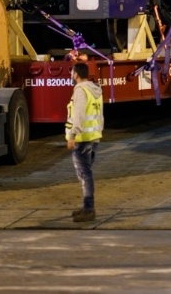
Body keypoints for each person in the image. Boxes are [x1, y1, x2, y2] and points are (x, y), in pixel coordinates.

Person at [65, 62, 103, 222]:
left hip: (82, 139)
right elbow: (99, 114)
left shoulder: (80, 91)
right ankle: (87, 207)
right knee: (86, 173)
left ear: (76, 74)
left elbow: (78, 115)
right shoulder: (95, 90)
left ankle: (88, 209)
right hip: (93, 137)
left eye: (72, 72)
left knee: (84, 174)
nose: (71, 75)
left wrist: (72, 135)